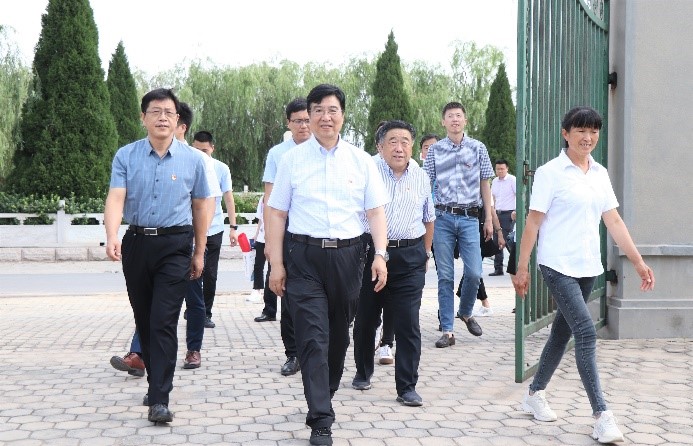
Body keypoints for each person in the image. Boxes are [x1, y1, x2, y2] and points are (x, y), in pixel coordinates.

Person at [513, 106, 655, 444]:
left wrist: (637, 262)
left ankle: (534, 394)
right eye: (580, 131)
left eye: (593, 131)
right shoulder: (550, 173)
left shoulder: (599, 173)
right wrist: (522, 267)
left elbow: (613, 220)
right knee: (586, 333)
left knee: (561, 333)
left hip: (588, 265)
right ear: (566, 134)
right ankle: (601, 415)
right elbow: (533, 221)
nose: (588, 137)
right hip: (557, 264)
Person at [267, 84, 389, 446]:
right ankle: (321, 419)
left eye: (332, 110)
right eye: (318, 110)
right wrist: (276, 263)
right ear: (308, 116)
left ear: (342, 116)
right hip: (303, 256)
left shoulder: (361, 161)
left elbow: (375, 212)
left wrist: (380, 254)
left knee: (337, 338)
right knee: (312, 338)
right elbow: (276, 213)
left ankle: (325, 390)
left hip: (349, 257)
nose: (325, 117)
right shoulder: (292, 160)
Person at [104, 89, 211, 423]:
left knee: (164, 320)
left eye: (169, 112)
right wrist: (112, 235)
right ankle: (155, 383)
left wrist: (199, 250)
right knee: (145, 320)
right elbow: (116, 197)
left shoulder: (194, 160)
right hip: (137, 243)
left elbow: (201, 206)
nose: (162, 117)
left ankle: (160, 398)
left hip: (175, 245)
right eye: (155, 111)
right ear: (143, 117)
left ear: (177, 120)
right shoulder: (126, 155)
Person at [351, 120, 434, 407]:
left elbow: (429, 218)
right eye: (393, 141)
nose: (399, 148)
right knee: (366, 318)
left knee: (408, 322)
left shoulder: (421, 177)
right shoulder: (367, 172)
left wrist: (425, 254)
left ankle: (407, 387)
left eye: (405, 142)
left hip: (409, 256)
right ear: (380, 146)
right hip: (370, 254)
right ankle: (363, 371)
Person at [423, 102, 494, 348]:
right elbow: (425, 185)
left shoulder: (478, 148)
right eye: (450, 116)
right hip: (442, 217)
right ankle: (447, 330)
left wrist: (489, 218)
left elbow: (485, 184)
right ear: (443, 121)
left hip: (469, 217)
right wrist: (424, 218)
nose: (454, 119)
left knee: (474, 272)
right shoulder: (435, 151)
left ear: (465, 120)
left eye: (458, 115)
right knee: (445, 276)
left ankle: (465, 311)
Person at [255, 97, 312, 377]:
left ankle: (318, 349)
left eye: (307, 120)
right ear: (288, 123)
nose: (304, 125)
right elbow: (270, 200)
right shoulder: (278, 154)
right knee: (288, 295)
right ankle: (293, 353)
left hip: (317, 234)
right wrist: (269, 241)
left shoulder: (325, 150)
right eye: (297, 121)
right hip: (287, 234)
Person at [191, 130, 238, 328]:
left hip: (215, 228)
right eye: (197, 150)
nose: (201, 154)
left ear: (212, 148)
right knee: (193, 271)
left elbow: (228, 198)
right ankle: (193, 309)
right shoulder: (189, 165)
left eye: (204, 150)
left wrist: (233, 227)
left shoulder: (221, 168)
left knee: (210, 273)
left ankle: (206, 313)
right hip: (192, 228)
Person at [489, 159, 516, 276]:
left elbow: (519, 194)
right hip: (497, 214)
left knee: (507, 240)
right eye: (497, 169)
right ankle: (498, 268)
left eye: (502, 169)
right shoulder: (494, 181)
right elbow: (493, 197)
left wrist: (516, 211)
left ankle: (514, 265)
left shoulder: (512, 180)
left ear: (507, 169)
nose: (500, 171)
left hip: (509, 214)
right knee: (496, 241)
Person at [248, 193, 266, 303]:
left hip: (274, 238)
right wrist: (256, 234)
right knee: (258, 265)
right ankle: (257, 290)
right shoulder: (263, 198)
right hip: (261, 237)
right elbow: (260, 219)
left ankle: (270, 293)